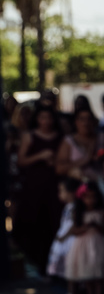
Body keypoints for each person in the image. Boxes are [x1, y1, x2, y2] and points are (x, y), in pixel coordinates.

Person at [14, 105, 63, 272]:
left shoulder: (60, 137)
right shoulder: (30, 136)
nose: (46, 122)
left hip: (54, 187)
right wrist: (40, 156)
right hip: (34, 188)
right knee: (33, 223)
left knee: (53, 223)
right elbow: (21, 161)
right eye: (42, 118)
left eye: (49, 118)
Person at [65, 180, 104, 294]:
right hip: (83, 247)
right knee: (87, 275)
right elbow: (74, 230)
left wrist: (96, 226)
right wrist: (85, 228)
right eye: (87, 197)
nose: (90, 200)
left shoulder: (102, 211)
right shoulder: (78, 212)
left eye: (93, 196)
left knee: (97, 275)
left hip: (98, 246)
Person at [56, 108, 100, 181]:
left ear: (93, 121)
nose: (86, 123)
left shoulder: (101, 138)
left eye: (89, 119)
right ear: (76, 122)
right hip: (78, 187)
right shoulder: (68, 141)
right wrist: (85, 160)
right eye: (82, 119)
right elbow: (59, 168)